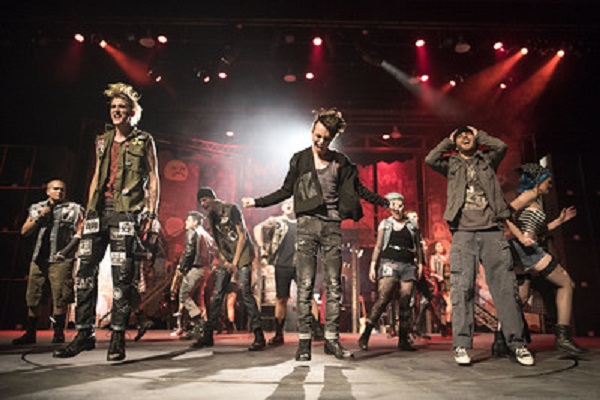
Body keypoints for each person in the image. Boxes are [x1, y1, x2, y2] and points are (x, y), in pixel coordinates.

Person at [242, 107, 390, 361]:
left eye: (326, 138)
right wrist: (257, 201)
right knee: (306, 285)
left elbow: (359, 190)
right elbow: (285, 190)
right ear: (312, 131)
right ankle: (304, 343)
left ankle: (332, 339)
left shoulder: (341, 162)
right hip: (307, 225)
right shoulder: (300, 159)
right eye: (317, 136)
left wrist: (384, 202)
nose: (320, 142)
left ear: (333, 138)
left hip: (332, 226)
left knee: (333, 284)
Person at [54, 82, 160, 362]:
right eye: (113, 107)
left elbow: (154, 178)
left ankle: (116, 337)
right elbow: (95, 176)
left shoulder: (144, 140)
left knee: (121, 277)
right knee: (84, 274)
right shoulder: (102, 139)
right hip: (98, 211)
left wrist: (151, 212)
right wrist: (89, 210)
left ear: (132, 112)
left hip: (126, 212)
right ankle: (84, 334)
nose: (116, 111)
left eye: (122, 107)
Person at [424, 125, 534, 366]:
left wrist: (480, 134)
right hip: (463, 233)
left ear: (476, 139)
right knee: (461, 288)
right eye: (460, 135)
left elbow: (501, 146)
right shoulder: (451, 164)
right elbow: (430, 159)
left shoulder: (487, 160)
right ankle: (462, 345)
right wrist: (449, 139)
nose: (465, 137)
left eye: (468, 135)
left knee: (505, 288)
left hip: (492, 231)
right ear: (455, 141)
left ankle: (518, 344)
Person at [505, 163, 585, 355]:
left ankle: (501, 339)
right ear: (537, 181)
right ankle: (563, 338)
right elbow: (503, 216)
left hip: (525, 250)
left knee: (521, 298)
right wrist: (520, 236)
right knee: (566, 283)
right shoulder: (529, 195)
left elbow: (537, 231)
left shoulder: (535, 198)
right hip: (528, 251)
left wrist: (559, 221)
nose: (550, 185)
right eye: (548, 181)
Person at [194, 187, 266, 351]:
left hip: (243, 255)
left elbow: (242, 235)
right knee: (217, 295)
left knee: (245, 292)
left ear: (212, 198)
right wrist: (225, 260)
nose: (203, 204)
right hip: (227, 258)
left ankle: (259, 335)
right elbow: (218, 241)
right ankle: (208, 335)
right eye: (201, 202)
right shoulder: (211, 217)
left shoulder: (231, 209)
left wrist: (235, 262)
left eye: (204, 200)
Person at [13, 180, 84, 345]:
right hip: (39, 258)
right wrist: (39, 216)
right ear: (47, 191)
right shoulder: (37, 208)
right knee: (34, 295)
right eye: (56, 189)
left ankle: (58, 333)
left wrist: (67, 251)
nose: (59, 192)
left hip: (60, 259)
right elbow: (24, 231)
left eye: (62, 190)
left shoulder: (73, 209)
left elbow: (81, 230)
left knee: (60, 296)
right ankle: (30, 332)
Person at [253, 197, 324, 346]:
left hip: (301, 264)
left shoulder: (303, 221)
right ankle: (279, 334)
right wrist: (262, 248)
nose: (289, 206)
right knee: (281, 298)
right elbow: (257, 228)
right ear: (282, 207)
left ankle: (318, 330)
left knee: (308, 296)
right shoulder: (276, 221)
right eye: (286, 204)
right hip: (282, 265)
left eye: (292, 204)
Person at [358, 193, 423, 351]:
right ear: (389, 207)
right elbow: (379, 246)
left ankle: (403, 339)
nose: (397, 208)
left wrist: (420, 264)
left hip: (408, 265)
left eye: (400, 205)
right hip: (389, 263)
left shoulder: (412, 224)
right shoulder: (385, 224)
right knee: (383, 298)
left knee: (406, 300)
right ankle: (365, 334)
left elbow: (418, 246)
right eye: (394, 205)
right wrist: (373, 264)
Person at [170, 211, 214, 340]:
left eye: (188, 220)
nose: (185, 222)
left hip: (195, 268)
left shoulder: (193, 232)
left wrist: (182, 267)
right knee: (196, 297)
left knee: (184, 296)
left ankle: (199, 323)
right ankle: (195, 327)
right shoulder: (205, 234)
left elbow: (189, 251)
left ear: (195, 222)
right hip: (204, 269)